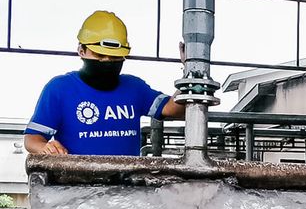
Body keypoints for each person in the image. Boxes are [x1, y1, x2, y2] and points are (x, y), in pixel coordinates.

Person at [24, 10, 185, 156]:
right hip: (76, 184)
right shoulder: (60, 89)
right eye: (100, 55)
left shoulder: (135, 88)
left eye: (115, 57)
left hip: (126, 185)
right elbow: (32, 138)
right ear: (81, 50)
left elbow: (173, 108)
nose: (107, 61)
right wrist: (45, 147)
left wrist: (189, 70)